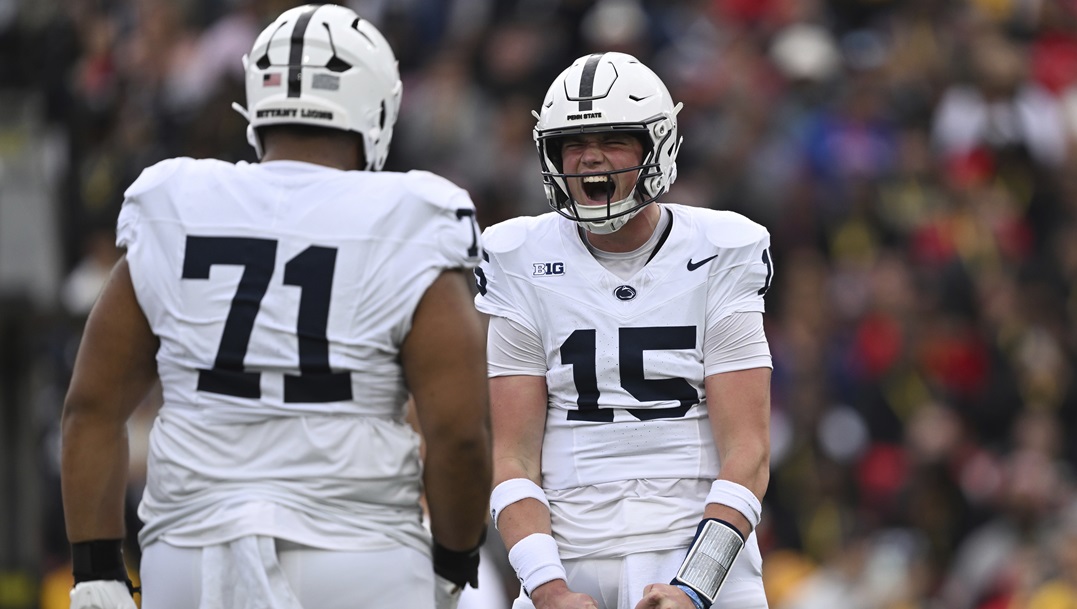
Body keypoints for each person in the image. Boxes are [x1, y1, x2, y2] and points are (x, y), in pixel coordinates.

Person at [60, 5, 491, 609]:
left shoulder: (178, 202)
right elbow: (460, 435)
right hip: (354, 553)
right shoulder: (410, 214)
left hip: (192, 553)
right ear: (377, 109)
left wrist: (95, 567)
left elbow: (92, 406)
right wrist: (453, 561)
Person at [474, 52, 774, 609]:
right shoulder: (517, 255)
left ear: (655, 147)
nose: (590, 158)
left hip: (697, 550)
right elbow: (513, 458)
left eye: (613, 139)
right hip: (568, 552)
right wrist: (549, 588)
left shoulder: (723, 249)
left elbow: (750, 450)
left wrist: (695, 586)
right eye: (572, 143)